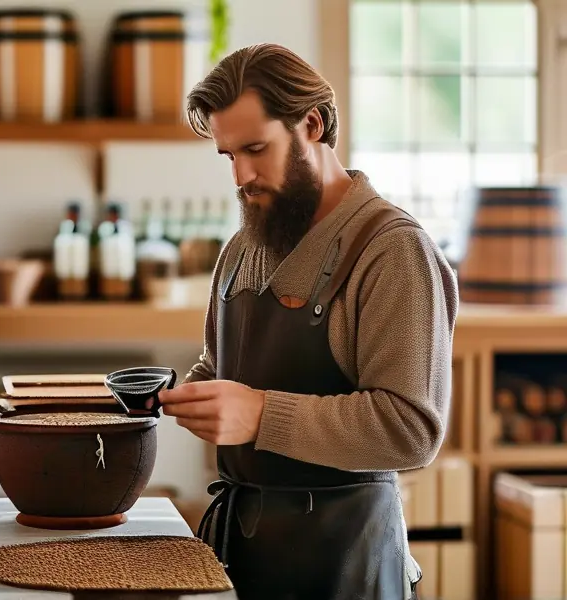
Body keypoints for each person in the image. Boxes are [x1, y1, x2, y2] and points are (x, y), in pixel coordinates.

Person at [157, 43, 459, 600]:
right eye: (228, 156)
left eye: (255, 149)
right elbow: (217, 362)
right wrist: (189, 394)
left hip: (349, 565)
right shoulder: (243, 247)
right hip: (242, 555)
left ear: (312, 124)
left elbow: (410, 429)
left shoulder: (392, 251)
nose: (241, 177)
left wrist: (260, 415)